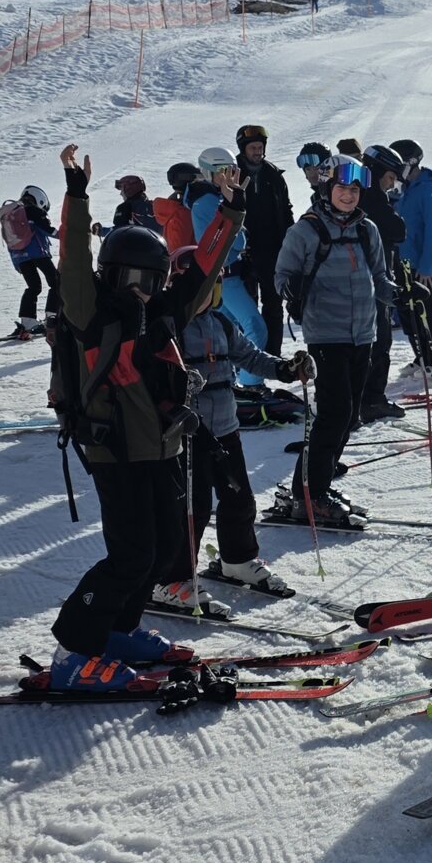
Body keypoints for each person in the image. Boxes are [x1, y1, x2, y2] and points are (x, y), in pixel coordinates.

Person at [47, 144, 240, 691]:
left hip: (163, 447)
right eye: (129, 276)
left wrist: (231, 212)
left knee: (163, 550)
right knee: (130, 555)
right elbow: (73, 261)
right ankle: (74, 651)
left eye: (150, 279)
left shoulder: (162, 313)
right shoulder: (91, 313)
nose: (140, 288)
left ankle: (119, 629)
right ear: (109, 275)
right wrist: (77, 194)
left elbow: (204, 270)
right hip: (116, 451)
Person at [154, 295, 314, 607]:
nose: (207, 293)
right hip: (189, 432)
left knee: (239, 498)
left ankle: (237, 558)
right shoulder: (170, 326)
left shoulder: (221, 323)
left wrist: (286, 370)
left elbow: (251, 357)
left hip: (226, 426)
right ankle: (172, 578)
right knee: (193, 507)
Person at [274, 157, 392, 526]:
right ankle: (309, 494)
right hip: (326, 334)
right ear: (327, 189)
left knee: (350, 415)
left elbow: (379, 276)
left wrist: (401, 295)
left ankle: (317, 486)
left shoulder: (367, 230)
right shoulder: (305, 231)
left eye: (354, 190)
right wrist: (291, 288)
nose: (348, 195)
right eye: (342, 188)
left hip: (363, 334)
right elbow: (281, 277)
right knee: (333, 414)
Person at [190, 146, 269, 381]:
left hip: (224, 277)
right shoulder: (207, 202)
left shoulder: (212, 198)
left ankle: (231, 382)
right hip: (226, 277)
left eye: (232, 170)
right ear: (208, 172)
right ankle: (251, 383)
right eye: (222, 171)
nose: (229, 176)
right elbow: (234, 242)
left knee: (225, 331)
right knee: (254, 326)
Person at [391, 138, 432, 381]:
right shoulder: (405, 189)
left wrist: (427, 266)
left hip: (427, 265)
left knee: (429, 313)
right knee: (409, 314)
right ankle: (423, 358)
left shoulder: (430, 190)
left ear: (411, 163)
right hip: (406, 261)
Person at [357, 144, 410, 418]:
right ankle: (372, 399)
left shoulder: (360, 196)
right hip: (374, 282)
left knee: (368, 342)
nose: (391, 184)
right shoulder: (373, 200)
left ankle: (360, 399)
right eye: (389, 178)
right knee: (379, 341)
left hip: (365, 281)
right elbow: (398, 230)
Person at [234, 123, 295, 355]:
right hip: (243, 251)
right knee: (246, 309)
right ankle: (248, 356)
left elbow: (286, 211)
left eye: (260, 147)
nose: (258, 152)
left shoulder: (274, 175)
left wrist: (290, 242)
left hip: (272, 251)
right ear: (243, 149)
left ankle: (273, 356)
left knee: (273, 306)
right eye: (253, 148)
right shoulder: (232, 173)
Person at [0, 185, 60, 337]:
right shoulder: (33, 210)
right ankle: (52, 317)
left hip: (20, 257)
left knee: (33, 287)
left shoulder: (12, 214)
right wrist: (67, 236)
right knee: (56, 282)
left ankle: (28, 321)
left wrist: (17, 263)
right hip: (38, 253)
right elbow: (48, 230)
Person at [156, 165, 199, 255]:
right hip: (188, 261)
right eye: (197, 179)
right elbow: (179, 252)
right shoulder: (182, 213)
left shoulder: (175, 205)